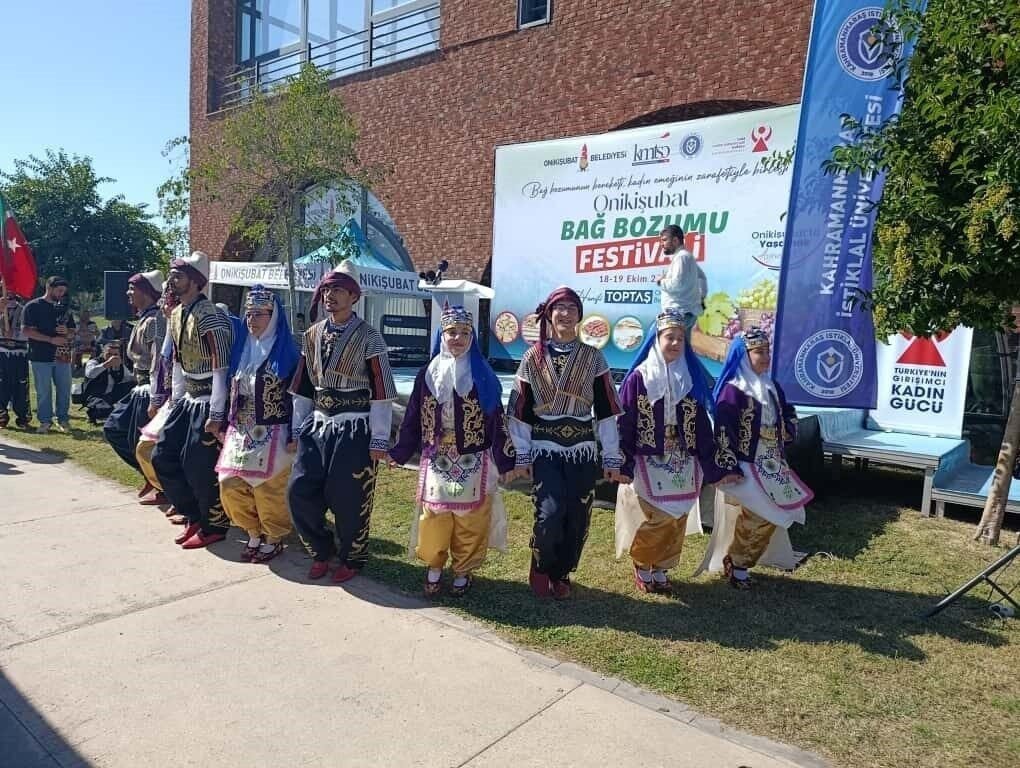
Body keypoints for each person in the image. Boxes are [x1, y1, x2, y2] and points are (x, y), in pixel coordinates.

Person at [507, 286, 627, 599]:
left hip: (582, 451)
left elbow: (606, 410)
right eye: (559, 308)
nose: (565, 314)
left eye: (572, 308)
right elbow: (520, 411)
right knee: (549, 512)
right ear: (549, 315)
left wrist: (611, 457)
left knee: (578, 515)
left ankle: (562, 572)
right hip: (545, 449)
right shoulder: (532, 358)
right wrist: (522, 455)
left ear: (579, 316)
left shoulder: (593, 357)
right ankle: (541, 565)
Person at [389, 305, 517, 597]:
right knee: (434, 513)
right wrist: (400, 452)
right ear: (441, 335)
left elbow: (496, 421)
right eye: (451, 332)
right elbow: (412, 416)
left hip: (473, 457)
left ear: (472, 338)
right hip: (437, 457)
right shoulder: (428, 374)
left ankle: (463, 569)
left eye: (464, 333)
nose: (457, 338)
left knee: (471, 516)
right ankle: (434, 565)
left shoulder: (482, 375)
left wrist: (506, 460)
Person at [615, 309, 740, 594]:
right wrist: (622, 462)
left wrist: (715, 468)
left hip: (683, 460)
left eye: (680, 339)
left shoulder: (689, 379)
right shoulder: (639, 379)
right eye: (669, 337)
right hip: (649, 458)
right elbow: (625, 422)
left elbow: (702, 428)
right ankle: (643, 563)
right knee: (658, 516)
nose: (674, 343)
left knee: (678, 517)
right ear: (657, 339)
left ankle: (661, 567)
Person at [287, 260, 397, 583]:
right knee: (299, 491)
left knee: (349, 496)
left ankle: (352, 557)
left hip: (354, 428)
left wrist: (379, 438)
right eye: (326, 290)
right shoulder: (312, 335)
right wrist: (297, 428)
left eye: (338, 290)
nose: (330, 296)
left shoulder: (370, 337)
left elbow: (381, 392)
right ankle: (322, 550)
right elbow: (304, 387)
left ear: (354, 296)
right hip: (318, 425)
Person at [696, 327, 814, 589]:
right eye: (759, 352)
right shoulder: (733, 390)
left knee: (775, 514)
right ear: (743, 356)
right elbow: (723, 431)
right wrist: (729, 466)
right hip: (746, 464)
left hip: (773, 463)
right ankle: (738, 565)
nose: (766, 357)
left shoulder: (771, 386)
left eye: (767, 351)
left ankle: (738, 561)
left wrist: (787, 430)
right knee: (759, 514)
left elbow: (788, 412)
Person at [151, 252, 236, 549]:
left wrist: (217, 412)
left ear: (196, 281)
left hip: (209, 398)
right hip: (188, 397)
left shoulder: (210, 315)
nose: (172, 280)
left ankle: (215, 524)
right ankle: (193, 513)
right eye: (172, 275)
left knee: (199, 465)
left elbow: (220, 366)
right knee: (162, 455)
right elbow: (176, 361)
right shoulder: (176, 314)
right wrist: (175, 399)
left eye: (179, 276)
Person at [215, 286, 299, 564]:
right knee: (229, 483)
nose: (252, 320)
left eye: (259, 314)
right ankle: (252, 531)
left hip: (274, 429)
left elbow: (298, 397)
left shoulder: (288, 353)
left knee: (267, 488)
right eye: (249, 314)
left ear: (273, 316)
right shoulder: (242, 350)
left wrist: (295, 432)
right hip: (241, 428)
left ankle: (273, 536)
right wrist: (223, 422)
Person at [102, 271, 165, 498]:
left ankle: (161, 485)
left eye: (133, 289)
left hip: (150, 389)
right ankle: (150, 476)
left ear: (146, 292)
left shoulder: (155, 320)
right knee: (114, 428)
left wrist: (157, 396)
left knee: (144, 441)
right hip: (139, 387)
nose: (128, 293)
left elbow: (159, 360)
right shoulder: (144, 318)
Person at [136, 282, 180, 513]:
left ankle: (181, 500)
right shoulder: (168, 329)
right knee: (145, 447)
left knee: (169, 453)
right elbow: (159, 367)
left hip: (184, 402)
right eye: (163, 303)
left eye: (168, 303)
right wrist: (156, 399)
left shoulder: (184, 329)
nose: (164, 307)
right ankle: (168, 492)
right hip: (168, 399)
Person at [22, 276, 76, 433]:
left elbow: (72, 331)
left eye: (64, 291)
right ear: (49, 288)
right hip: (40, 355)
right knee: (44, 391)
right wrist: (51, 339)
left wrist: (67, 332)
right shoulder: (33, 306)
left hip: (62, 354)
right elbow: (27, 331)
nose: (61, 294)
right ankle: (45, 421)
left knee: (64, 389)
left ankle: (63, 419)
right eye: (59, 290)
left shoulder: (65, 308)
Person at [655, 225, 707, 331]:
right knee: (679, 342)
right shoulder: (686, 256)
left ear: (675, 240)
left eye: (664, 240)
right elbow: (702, 278)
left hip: (678, 314)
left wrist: (661, 282)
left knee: (664, 339)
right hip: (685, 313)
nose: (661, 244)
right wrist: (700, 298)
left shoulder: (682, 257)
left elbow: (677, 285)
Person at [0, 283, 32, 429]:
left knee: (20, 384)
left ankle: (23, 418)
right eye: (6, 288)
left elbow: (29, 330)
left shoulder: (24, 309)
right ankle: (1, 416)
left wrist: (16, 334)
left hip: (19, 353)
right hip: (1, 353)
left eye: (11, 288)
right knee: (1, 385)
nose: (9, 292)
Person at [82, 341, 135, 424]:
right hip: (94, 395)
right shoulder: (93, 362)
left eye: (115, 354)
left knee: (133, 386)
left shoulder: (120, 364)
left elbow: (128, 377)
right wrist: (107, 364)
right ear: (103, 352)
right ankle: (92, 413)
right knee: (106, 410)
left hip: (111, 394)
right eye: (109, 354)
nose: (112, 357)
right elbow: (90, 374)